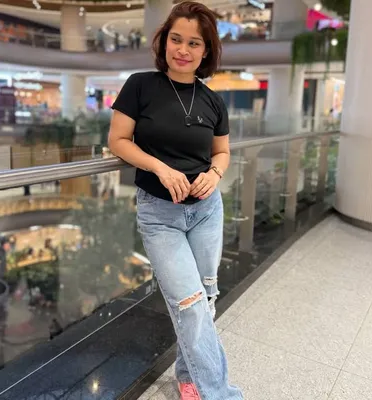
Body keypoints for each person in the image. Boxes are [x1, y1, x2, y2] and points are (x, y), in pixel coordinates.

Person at [108, 2, 243, 399]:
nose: (183, 49)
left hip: (206, 211)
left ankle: (189, 378)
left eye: (194, 43)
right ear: (164, 41)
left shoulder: (212, 101)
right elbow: (118, 140)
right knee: (189, 303)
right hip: (159, 214)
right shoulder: (140, 86)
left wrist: (214, 174)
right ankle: (221, 394)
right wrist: (160, 168)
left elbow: (222, 152)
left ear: (206, 50)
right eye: (176, 39)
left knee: (206, 298)